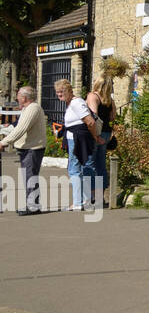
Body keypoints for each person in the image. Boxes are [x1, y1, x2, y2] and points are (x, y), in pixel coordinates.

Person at [55, 79, 103, 211]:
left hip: (78, 140)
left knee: (74, 170)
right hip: (76, 139)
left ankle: (77, 202)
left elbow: (90, 122)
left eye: (62, 91)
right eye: (57, 92)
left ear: (69, 90)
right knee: (79, 169)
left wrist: (95, 137)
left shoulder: (76, 103)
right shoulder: (72, 103)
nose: (59, 94)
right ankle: (84, 200)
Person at [0, 86, 47, 214]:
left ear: (24, 98)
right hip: (28, 148)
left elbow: (21, 129)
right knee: (29, 177)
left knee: (30, 177)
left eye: (18, 95)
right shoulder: (28, 109)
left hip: (33, 148)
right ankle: (33, 205)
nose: (17, 98)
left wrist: (3, 142)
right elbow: (16, 128)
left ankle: (32, 207)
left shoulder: (33, 108)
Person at [86, 78, 117, 209]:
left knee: (89, 163)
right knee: (100, 164)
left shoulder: (93, 96)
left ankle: (92, 196)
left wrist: (95, 135)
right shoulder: (110, 101)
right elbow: (112, 117)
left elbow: (94, 115)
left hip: (96, 133)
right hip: (106, 133)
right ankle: (101, 196)